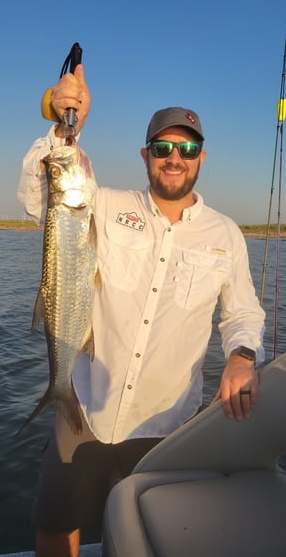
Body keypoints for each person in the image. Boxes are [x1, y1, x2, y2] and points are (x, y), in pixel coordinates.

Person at [18, 65, 265, 557]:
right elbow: (38, 197)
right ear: (145, 154)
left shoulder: (225, 234)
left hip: (167, 426)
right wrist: (65, 127)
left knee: (148, 536)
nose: (175, 159)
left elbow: (243, 313)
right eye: (163, 148)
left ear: (201, 158)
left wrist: (241, 356)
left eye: (188, 149)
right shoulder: (104, 206)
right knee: (53, 524)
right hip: (85, 412)